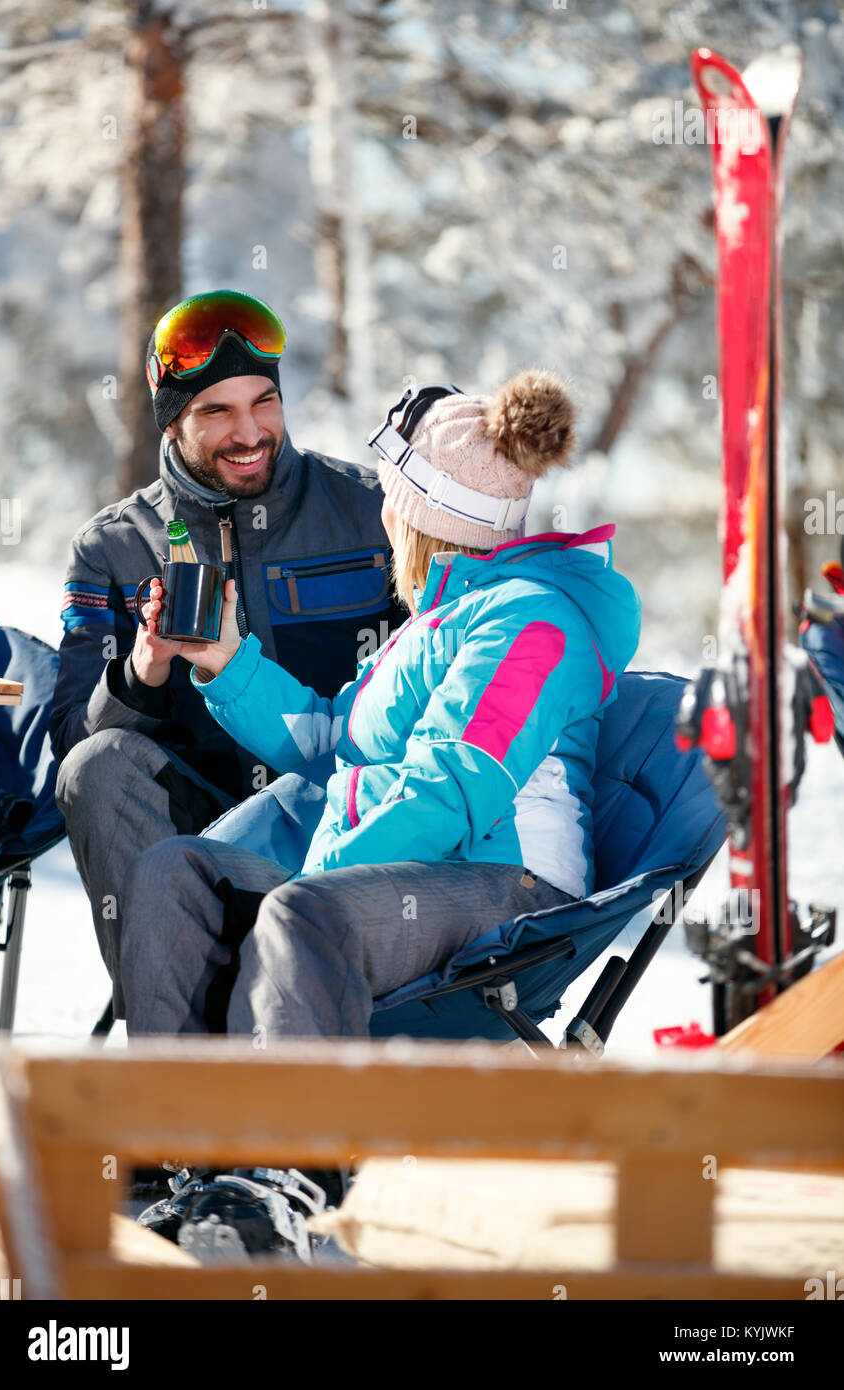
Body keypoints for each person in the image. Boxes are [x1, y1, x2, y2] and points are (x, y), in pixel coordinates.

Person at [123, 368, 643, 1260]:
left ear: (422, 514)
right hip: (406, 865)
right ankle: (181, 1154)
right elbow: (336, 739)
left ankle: (288, 1177)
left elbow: (455, 783)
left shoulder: (532, 621)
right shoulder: (434, 618)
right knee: (178, 872)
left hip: (506, 882)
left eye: (391, 500)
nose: (379, 515)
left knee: (299, 909)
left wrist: (317, 875)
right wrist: (222, 659)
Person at [50, 291, 403, 1018]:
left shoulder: (376, 512)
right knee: (97, 765)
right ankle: (174, 1062)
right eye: (215, 412)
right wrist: (144, 671)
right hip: (198, 828)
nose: (249, 432)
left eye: (264, 402)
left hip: (346, 817)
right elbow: (71, 751)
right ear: (172, 421)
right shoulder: (115, 548)